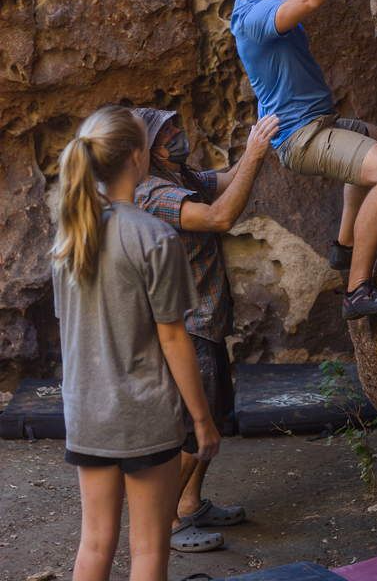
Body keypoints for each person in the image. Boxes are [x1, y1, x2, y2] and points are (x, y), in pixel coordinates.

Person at [51, 104, 221, 581]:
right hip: (145, 413)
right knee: (148, 551)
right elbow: (173, 337)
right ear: (137, 157)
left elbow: (72, 330)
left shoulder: (67, 240)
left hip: (86, 413)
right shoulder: (154, 236)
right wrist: (202, 420)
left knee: (95, 542)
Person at [230, 0, 377, 321]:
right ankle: (358, 290)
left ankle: (344, 245)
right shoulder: (253, 16)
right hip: (302, 137)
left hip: (319, 124)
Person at [133, 107, 279, 552]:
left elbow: (230, 175)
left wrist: (263, 136)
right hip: (187, 326)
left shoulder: (184, 178)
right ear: (146, 150)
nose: (178, 133)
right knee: (191, 433)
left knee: (211, 418)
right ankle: (165, 525)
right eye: (167, 131)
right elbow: (218, 218)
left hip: (206, 322)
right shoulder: (153, 193)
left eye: (178, 124)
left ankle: (190, 504)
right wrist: (254, 154)